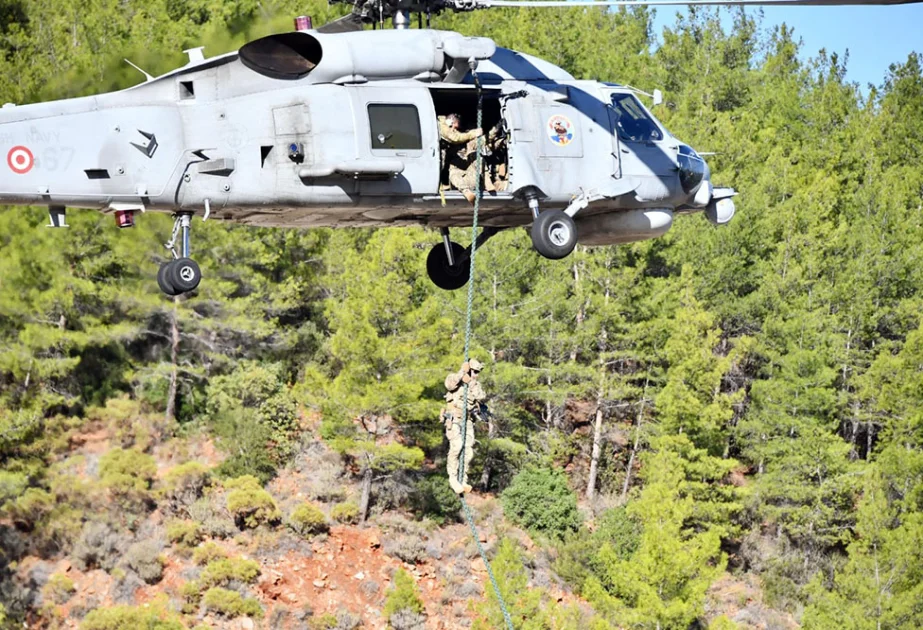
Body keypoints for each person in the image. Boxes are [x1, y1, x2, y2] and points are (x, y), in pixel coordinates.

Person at [442, 359, 487, 494]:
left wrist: (471, 383)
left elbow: (481, 396)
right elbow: (450, 385)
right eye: (474, 371)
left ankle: (463, 478)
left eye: (478, 372)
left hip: (467, 420)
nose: (476, 375)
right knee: (457, 446)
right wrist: (462, 373)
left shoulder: (475, 384)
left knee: (468, 451)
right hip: (455, 418)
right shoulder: (453, 378)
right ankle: (453, 478)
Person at [438, 113, 483, 204]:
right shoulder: (442, 125)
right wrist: (473, 133)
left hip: (466, 166)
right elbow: (455, 137)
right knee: (452, 173)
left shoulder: (447, 126)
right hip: (454, 163)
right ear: (450, 121)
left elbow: (458, 135)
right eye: (454, 127)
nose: (454, 130)